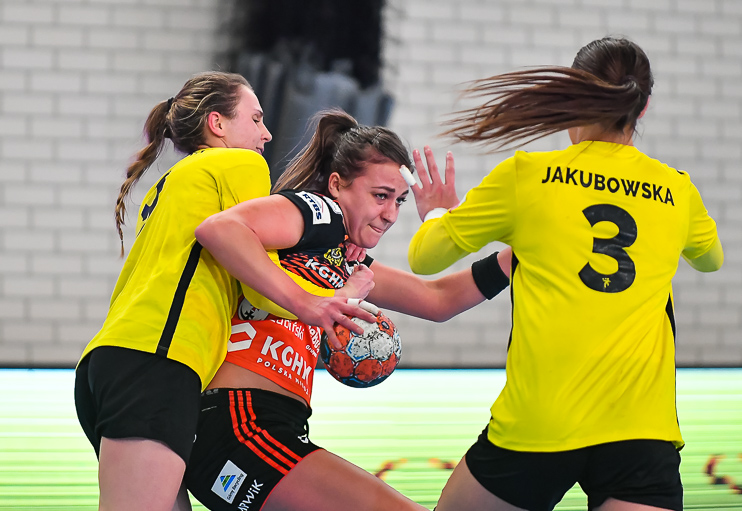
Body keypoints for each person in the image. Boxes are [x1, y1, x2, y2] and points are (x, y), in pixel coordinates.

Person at [407, 36, 724, 511]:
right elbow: (711, 259)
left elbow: (424, 258)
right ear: (643, 107)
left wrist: (438, 213)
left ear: (573, 95)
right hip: (641, 432)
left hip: (538, 426)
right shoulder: (678, 190)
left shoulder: (526, 176)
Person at [184, 109, 513, 511]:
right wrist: (309, 303)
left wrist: (519, 255)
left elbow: (437, 300)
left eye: (399, 200)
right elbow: (220, 228)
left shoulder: (341, 256)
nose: (391, 214)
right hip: (242, 424)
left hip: (275, 426)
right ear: (337, 185)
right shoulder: (315, 212)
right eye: (380, 196)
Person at [74, 73, 374, 511]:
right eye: (255, 119)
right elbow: (261, 284)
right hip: (159, 360)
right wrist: (339, 292)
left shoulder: (170, 182)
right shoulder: (240, 164)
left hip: (112, 361)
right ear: (217, 124)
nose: (266, 134)